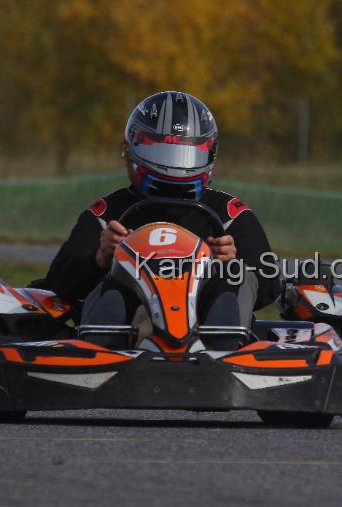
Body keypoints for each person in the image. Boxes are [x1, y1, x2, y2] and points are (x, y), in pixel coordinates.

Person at [44, 91, 279, 332]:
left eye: (186, 153)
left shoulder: (229, 215)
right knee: (115, 285)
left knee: (233, 280)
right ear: (131, 149)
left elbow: (270, 284)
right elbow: (56, 282)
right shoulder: (107, 215)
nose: (174, 165)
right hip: (125, 344)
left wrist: (232, 262)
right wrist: (100, 258)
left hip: (209, 342)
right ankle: (102, 344)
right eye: (162, 152)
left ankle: (225, 344)